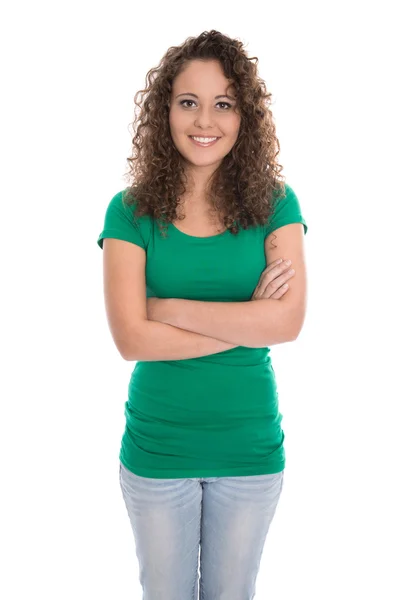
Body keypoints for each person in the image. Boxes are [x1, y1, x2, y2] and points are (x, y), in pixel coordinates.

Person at [97, 29, 308, 600]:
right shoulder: (131, 211)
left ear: (245, 116)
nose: (204, 120)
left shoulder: (276, 204)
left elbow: (286, 324)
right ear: (165, 110)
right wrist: (246, 321)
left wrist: (168, 310)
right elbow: (131, 340)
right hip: (157, 448)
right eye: (188, 102)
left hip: (249, 447)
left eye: (223, 104)